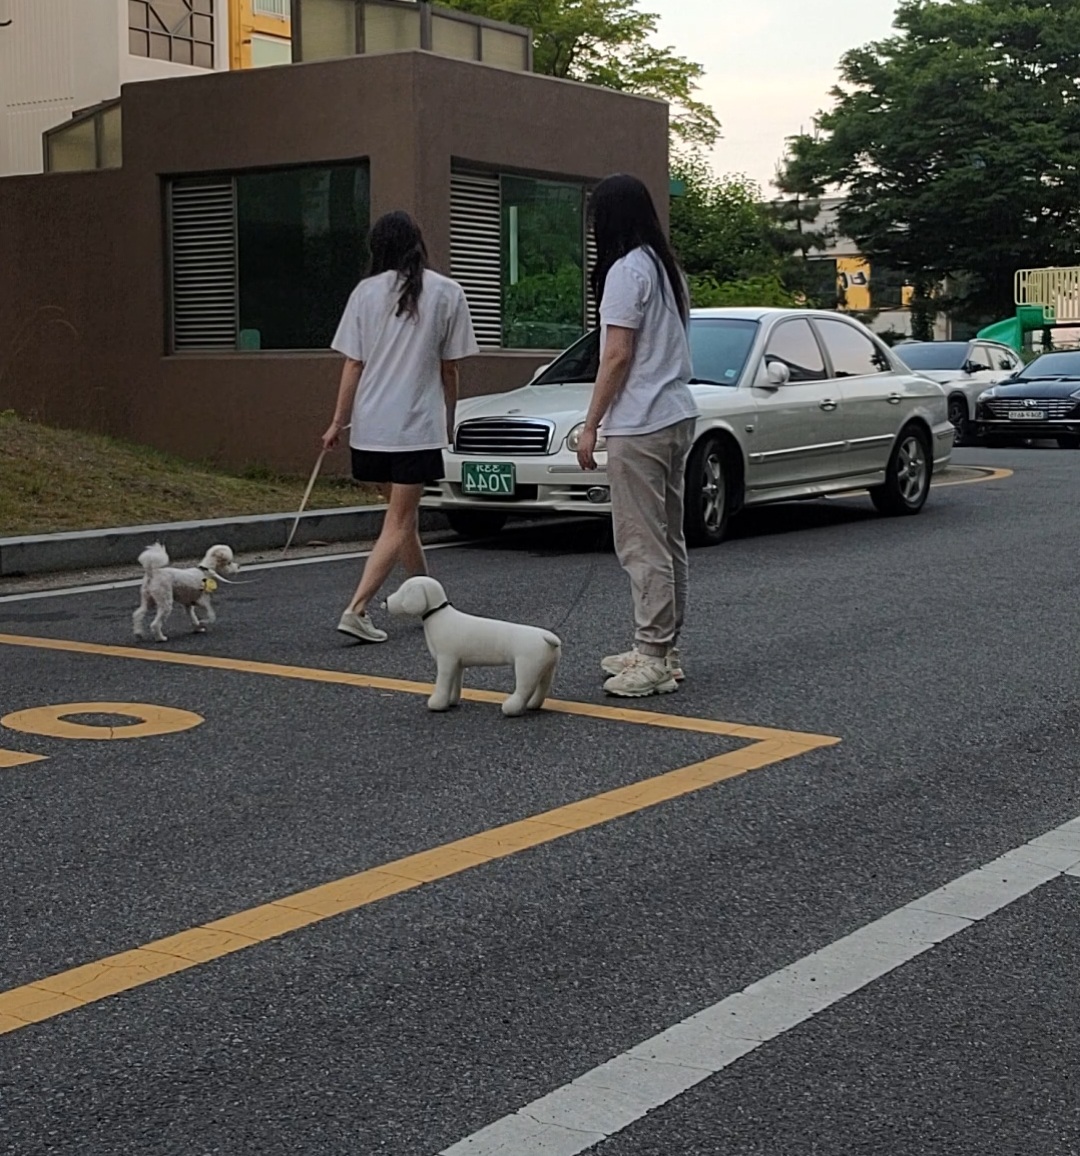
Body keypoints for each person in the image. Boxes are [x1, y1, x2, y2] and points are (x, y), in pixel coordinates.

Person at [322, 211, 478, 642]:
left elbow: (353, 364)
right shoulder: (447, 291)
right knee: (399, 521)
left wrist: (338, 421)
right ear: (418, 243)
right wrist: (450, 416)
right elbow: (450, 369)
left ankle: (433, 599)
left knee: (400, 518)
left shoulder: (364, 293)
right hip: (415, 425)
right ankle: (356, 608)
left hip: (370, 426)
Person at [576, 173, 699, 698]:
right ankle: (664, 649)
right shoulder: (667, 269)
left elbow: (617, 353)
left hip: (640, 421)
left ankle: (651, 654)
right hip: (675, 413)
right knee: (668, 539)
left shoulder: (626, 271)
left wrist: (590, 423)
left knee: (640, 543)